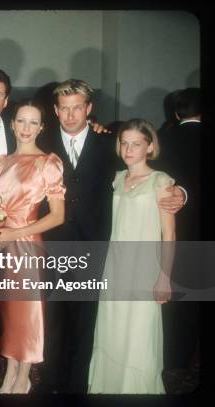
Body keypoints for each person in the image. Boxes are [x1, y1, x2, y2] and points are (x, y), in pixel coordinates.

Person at [38, 79, 186, 394]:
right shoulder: (40, 139)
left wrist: (182, 193)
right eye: (64, 108)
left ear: (89, 109)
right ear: (55, 110)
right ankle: (51, 381)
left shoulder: (110, 141)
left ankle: (79, 385)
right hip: (53, 245)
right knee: (53, 318)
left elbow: (156, 170)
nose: (71, 115)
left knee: (87, 322)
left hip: (99, 249)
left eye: (78, 107)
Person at [88, 118, 174, 394]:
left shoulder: (161, 181)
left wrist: (164, 277)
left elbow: (169, 236)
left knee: (139, 336)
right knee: (112, 332)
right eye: (124, 143)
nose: (128, 149)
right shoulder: (117, 179)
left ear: (150, 146)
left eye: (136, 144)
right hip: (114, 267)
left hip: (145, 268)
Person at [0, 100, 66, 394]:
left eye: (33, 122)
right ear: (12, 123)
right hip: (0, 244)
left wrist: (15, 233)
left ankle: (24, 378)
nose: (26, 128)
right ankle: (10, 374)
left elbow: (58, 216)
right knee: (8, 313)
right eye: (21, 121)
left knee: (27, 312)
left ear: (42, 127)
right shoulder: (1, 162)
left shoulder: (48, 162)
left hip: (27, 245)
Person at [157, 87, 201, 378]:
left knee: (173, 302)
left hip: (171, 231)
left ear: (175, 113)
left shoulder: (164, 140)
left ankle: (171, 361)